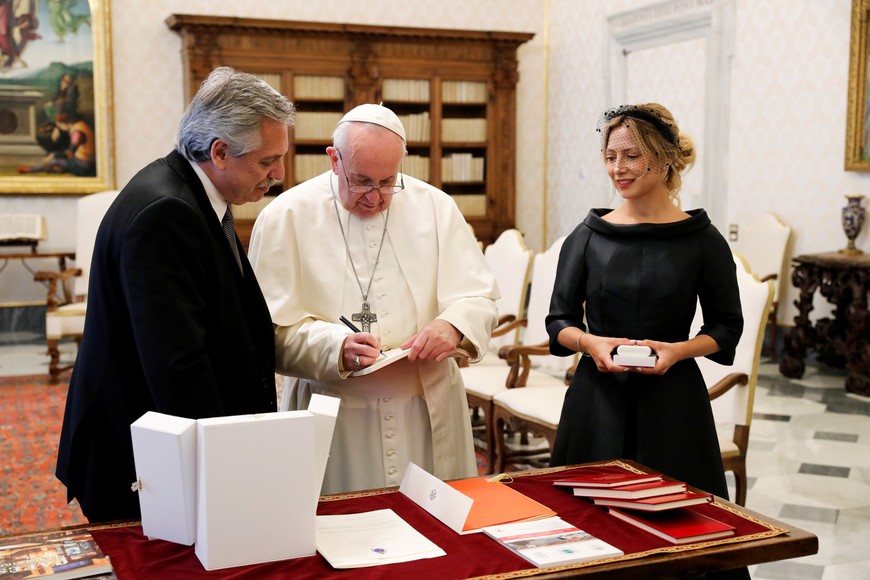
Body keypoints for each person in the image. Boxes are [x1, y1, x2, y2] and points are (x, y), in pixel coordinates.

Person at [56, 67, 296, 522]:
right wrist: (225, 471)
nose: (279, 175)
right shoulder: (167, 212)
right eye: (267, 161)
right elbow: (178, 367)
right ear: (220, 152)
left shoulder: (189, 192)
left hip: (162, 445)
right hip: (140, 458)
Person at [248, 103, 499, 495]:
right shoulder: (286, 215)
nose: (376, 198)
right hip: (335, 410)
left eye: (388, 181)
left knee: (436, 534)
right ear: (334, 160)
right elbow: (267, 332)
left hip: (425, 404)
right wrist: (336, 347)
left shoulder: (435, 207)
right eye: (362, 181)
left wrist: (453, 325)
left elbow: (479, 297)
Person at [546, 103, 744, 501]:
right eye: (610, 156)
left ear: (666, 157)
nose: (618, 168)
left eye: (632, 155)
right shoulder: (586, 237)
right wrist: (590, 343)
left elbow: (726, 327)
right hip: (596, 402)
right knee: (588, 522)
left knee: (680, 525)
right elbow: (559, 322)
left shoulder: (704, 240)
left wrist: (679, 350)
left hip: (674, 403)